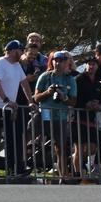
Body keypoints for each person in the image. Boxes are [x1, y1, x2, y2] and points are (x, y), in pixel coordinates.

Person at [0, 40, 33, 178]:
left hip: (10, 108)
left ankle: (14, 168)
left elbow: (24, 84)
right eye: (20, 50)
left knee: (12, 138)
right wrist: (6, 99)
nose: (22, 53)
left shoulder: (17, 66)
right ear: (11, 51)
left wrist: (31, 101)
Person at [33, 50, 78, 180]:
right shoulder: (45, 76)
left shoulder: (70, 79)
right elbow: (36, 97)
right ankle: (19, 166)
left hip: (61, 117)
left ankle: (63, 175)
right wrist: (48, 92)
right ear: (52, 62)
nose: (58, 63)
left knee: (60, 147)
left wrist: (64, 98)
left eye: (61, 61)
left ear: (66, 63)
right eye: (55, 60)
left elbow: (73, 101)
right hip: (44, 115)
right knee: (28, 137)